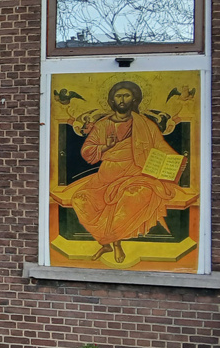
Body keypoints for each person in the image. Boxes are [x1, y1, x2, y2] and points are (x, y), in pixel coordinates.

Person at [68, 81, 179, 263]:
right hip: (105, 177)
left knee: (129, 198)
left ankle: (114, 243)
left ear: (134, 99)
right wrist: (106, 146)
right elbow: (86, 152)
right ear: (112, 100)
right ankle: (106, 242)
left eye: (126, 95)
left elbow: (161, 148)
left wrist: (175, 161)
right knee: (80, 200)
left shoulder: (145, 125)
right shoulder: (103, 125)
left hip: (136, 176)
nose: (122, 99)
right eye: (118, 96)